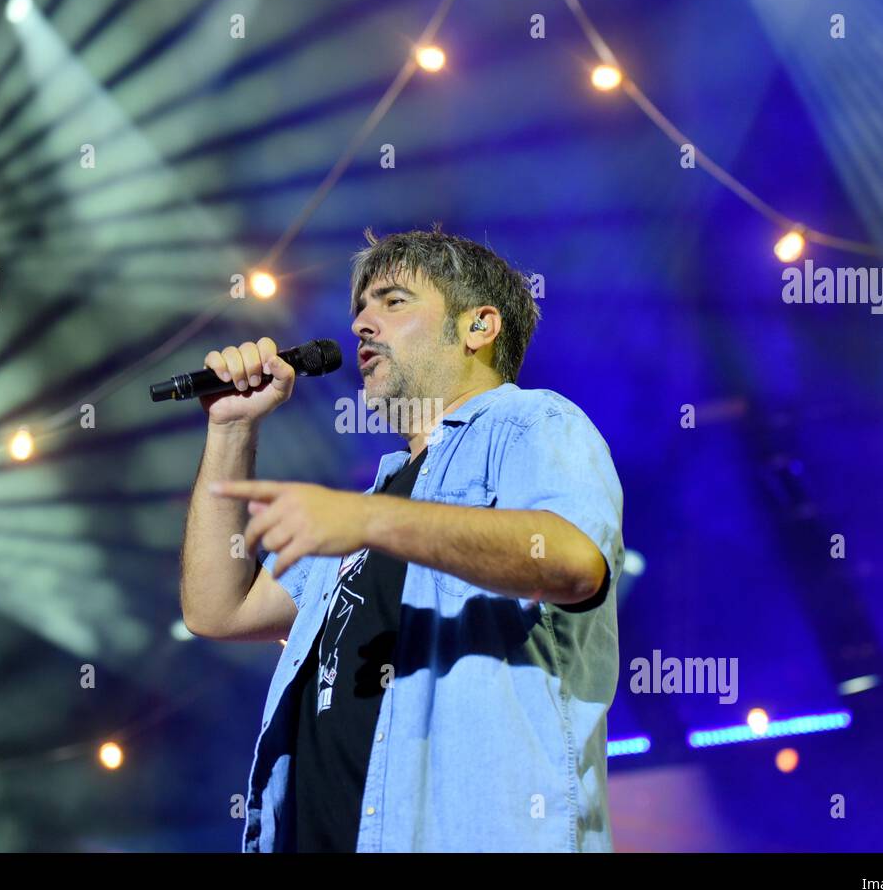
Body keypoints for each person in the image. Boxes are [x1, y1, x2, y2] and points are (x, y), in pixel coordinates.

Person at [180, 227, 624, 851]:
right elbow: (217, 609)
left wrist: (373, 523)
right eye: (359, 309)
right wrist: (230, 430)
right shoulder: (371, 503)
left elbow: (574, 560)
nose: (362, 324)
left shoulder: (532, 422)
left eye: (393, 302)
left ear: (479, 327)